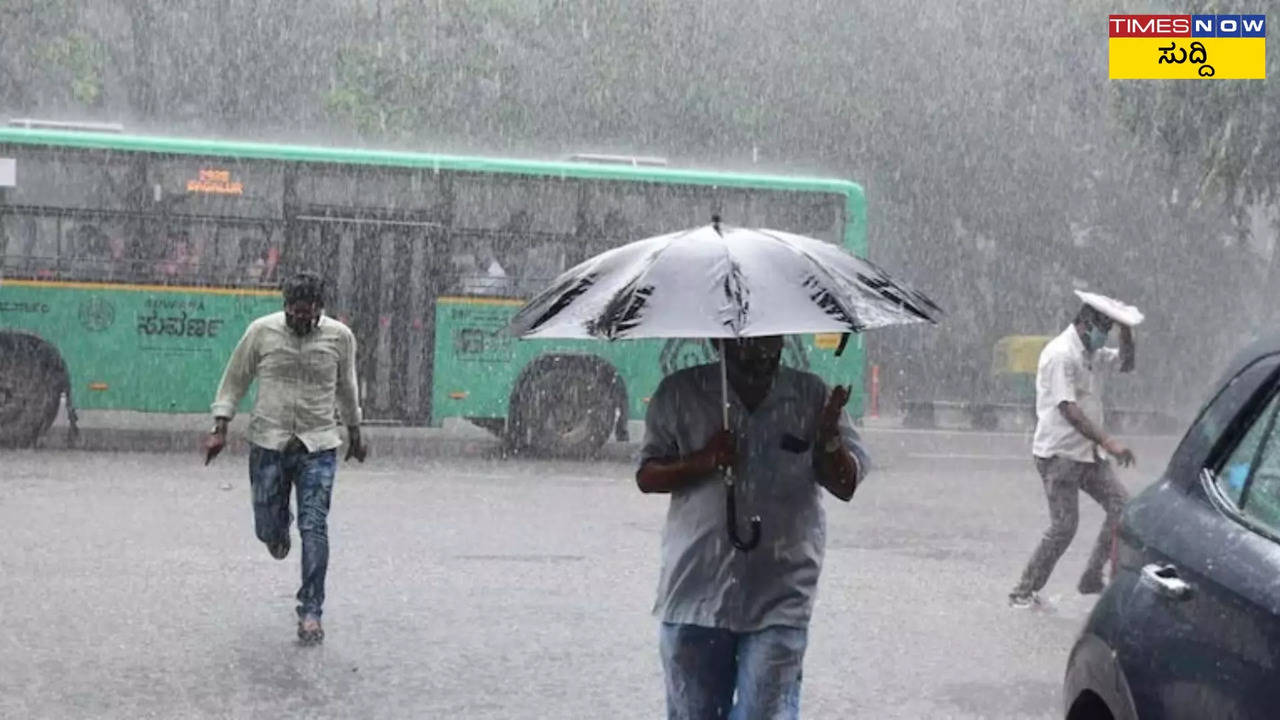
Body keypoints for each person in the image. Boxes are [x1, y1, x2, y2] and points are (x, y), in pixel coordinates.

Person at [636, 335, 870, 720]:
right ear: (719, 341)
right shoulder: (679, 393)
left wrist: (828, 439)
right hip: (695, 592)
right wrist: (703, 461)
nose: (761, 348)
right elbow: (647, 475)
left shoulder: (810, 396)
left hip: (780, 595)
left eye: (769, 339)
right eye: (746, 342)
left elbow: (845, 484)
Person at [203, 271, 367, 643]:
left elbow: (347, 386)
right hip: (268, 443)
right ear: (285, 308)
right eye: (295, 314)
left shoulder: (340, 337)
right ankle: (277, 530)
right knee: (269, 529)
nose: (302, 321)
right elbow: (235, 379)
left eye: (309, 315)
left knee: (315, 526)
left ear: (320, 310)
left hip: (319, 444)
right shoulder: (261, 332)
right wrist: (220, 426)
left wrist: (355, 431)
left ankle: (311, 611)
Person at [1009, 302, 1136, 608]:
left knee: (1121, 506)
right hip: (1059, 455)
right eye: (1102, 330)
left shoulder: (1092, 354)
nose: (1104, 337)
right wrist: (1108, 441)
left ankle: (1092, 576)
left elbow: (1127, 364)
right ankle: (1022, 592)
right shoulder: (1060, 354)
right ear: (1084, 324)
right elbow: (1069, 409)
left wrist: (1127, 331)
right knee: (1064, 527)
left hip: (1087, 455)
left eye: (1108, 331)